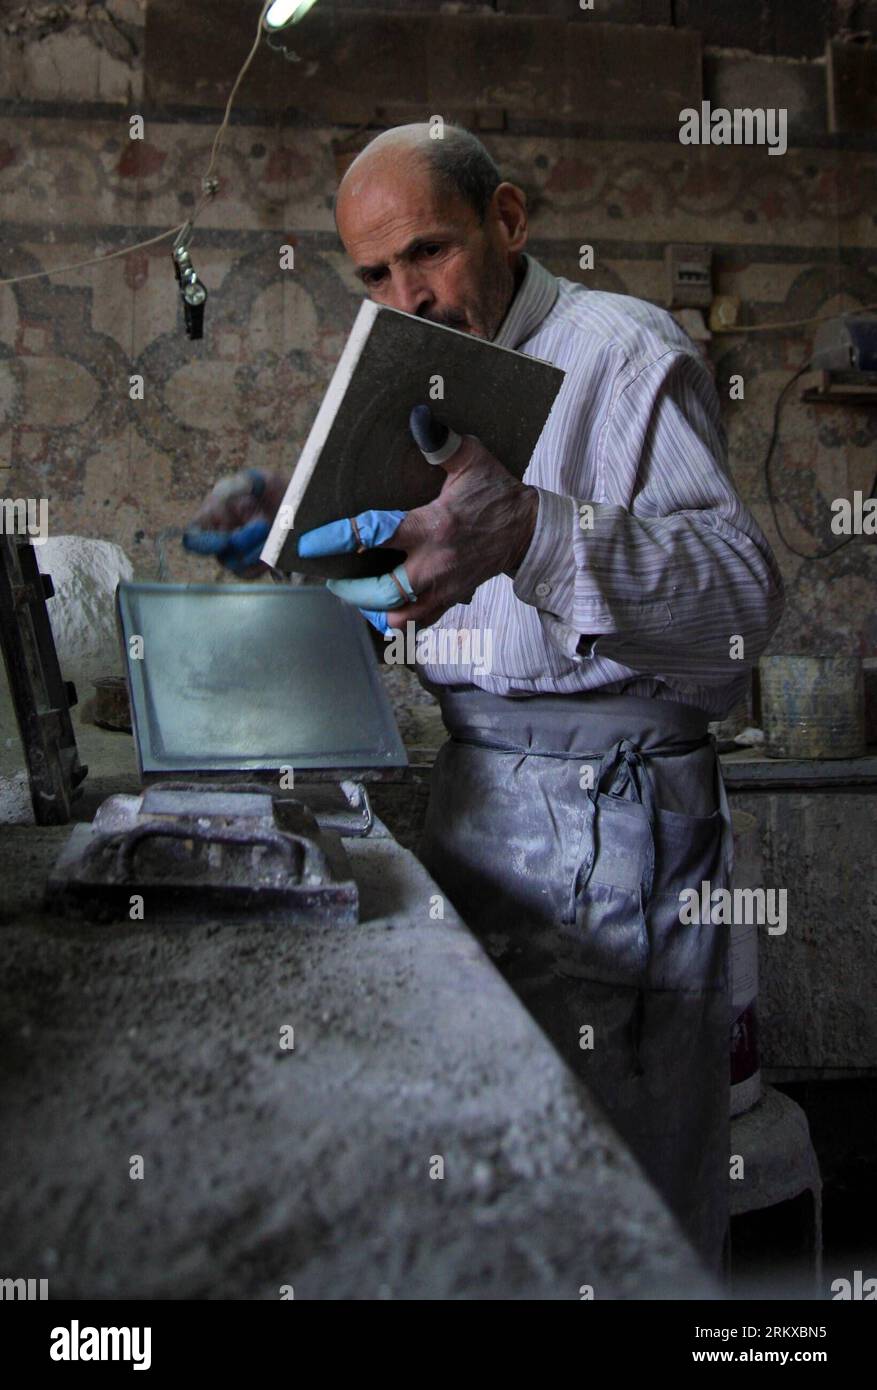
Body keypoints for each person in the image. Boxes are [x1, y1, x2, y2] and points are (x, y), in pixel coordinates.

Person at [190, 123, 784, 1275]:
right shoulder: (407, 378)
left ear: (506, 221)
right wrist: (295, 548)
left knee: (618, 1209)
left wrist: (534, 530)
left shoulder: (621, 348)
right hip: (474, 809)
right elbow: (406, 593)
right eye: (374, 274)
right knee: (500, 1193)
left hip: (614, 834)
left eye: (430, 252)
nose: (407, 293)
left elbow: (742, 602)